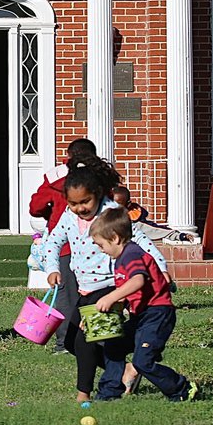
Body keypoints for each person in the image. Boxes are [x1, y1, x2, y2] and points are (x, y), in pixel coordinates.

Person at [43, 163, 171, 403]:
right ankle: (123, 371)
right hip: (85, 287)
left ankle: (84, 394)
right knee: (71, 340)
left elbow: (141, 240)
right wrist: (52, 269)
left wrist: (161, 268)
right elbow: (52, 242)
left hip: (111, 286)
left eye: (85, 202)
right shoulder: (69, 216)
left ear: (98, 193)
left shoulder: (111, 213)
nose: (80, 208)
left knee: (86, 340)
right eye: (74, 203)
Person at [90, 207, 197, 403]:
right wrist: (95, 318)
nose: (100, 250)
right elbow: (127, 295)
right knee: (114, 346)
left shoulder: (132, 254)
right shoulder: (120, 259)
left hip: (157, 314)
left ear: (114, 238)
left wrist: (110, 297)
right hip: (140, 316)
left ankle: (181, 389)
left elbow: (137, 281)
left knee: (143, 362)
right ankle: (109, 393)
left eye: (101, 245)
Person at [29, 137, 99, 353]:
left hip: (66, 249)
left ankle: (65, 344)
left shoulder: (54, 178)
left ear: (68, 156)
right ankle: (99, 339)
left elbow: (36, 207)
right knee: (97, 294)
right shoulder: (99, 177)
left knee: (66, 296)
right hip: (97, 246)